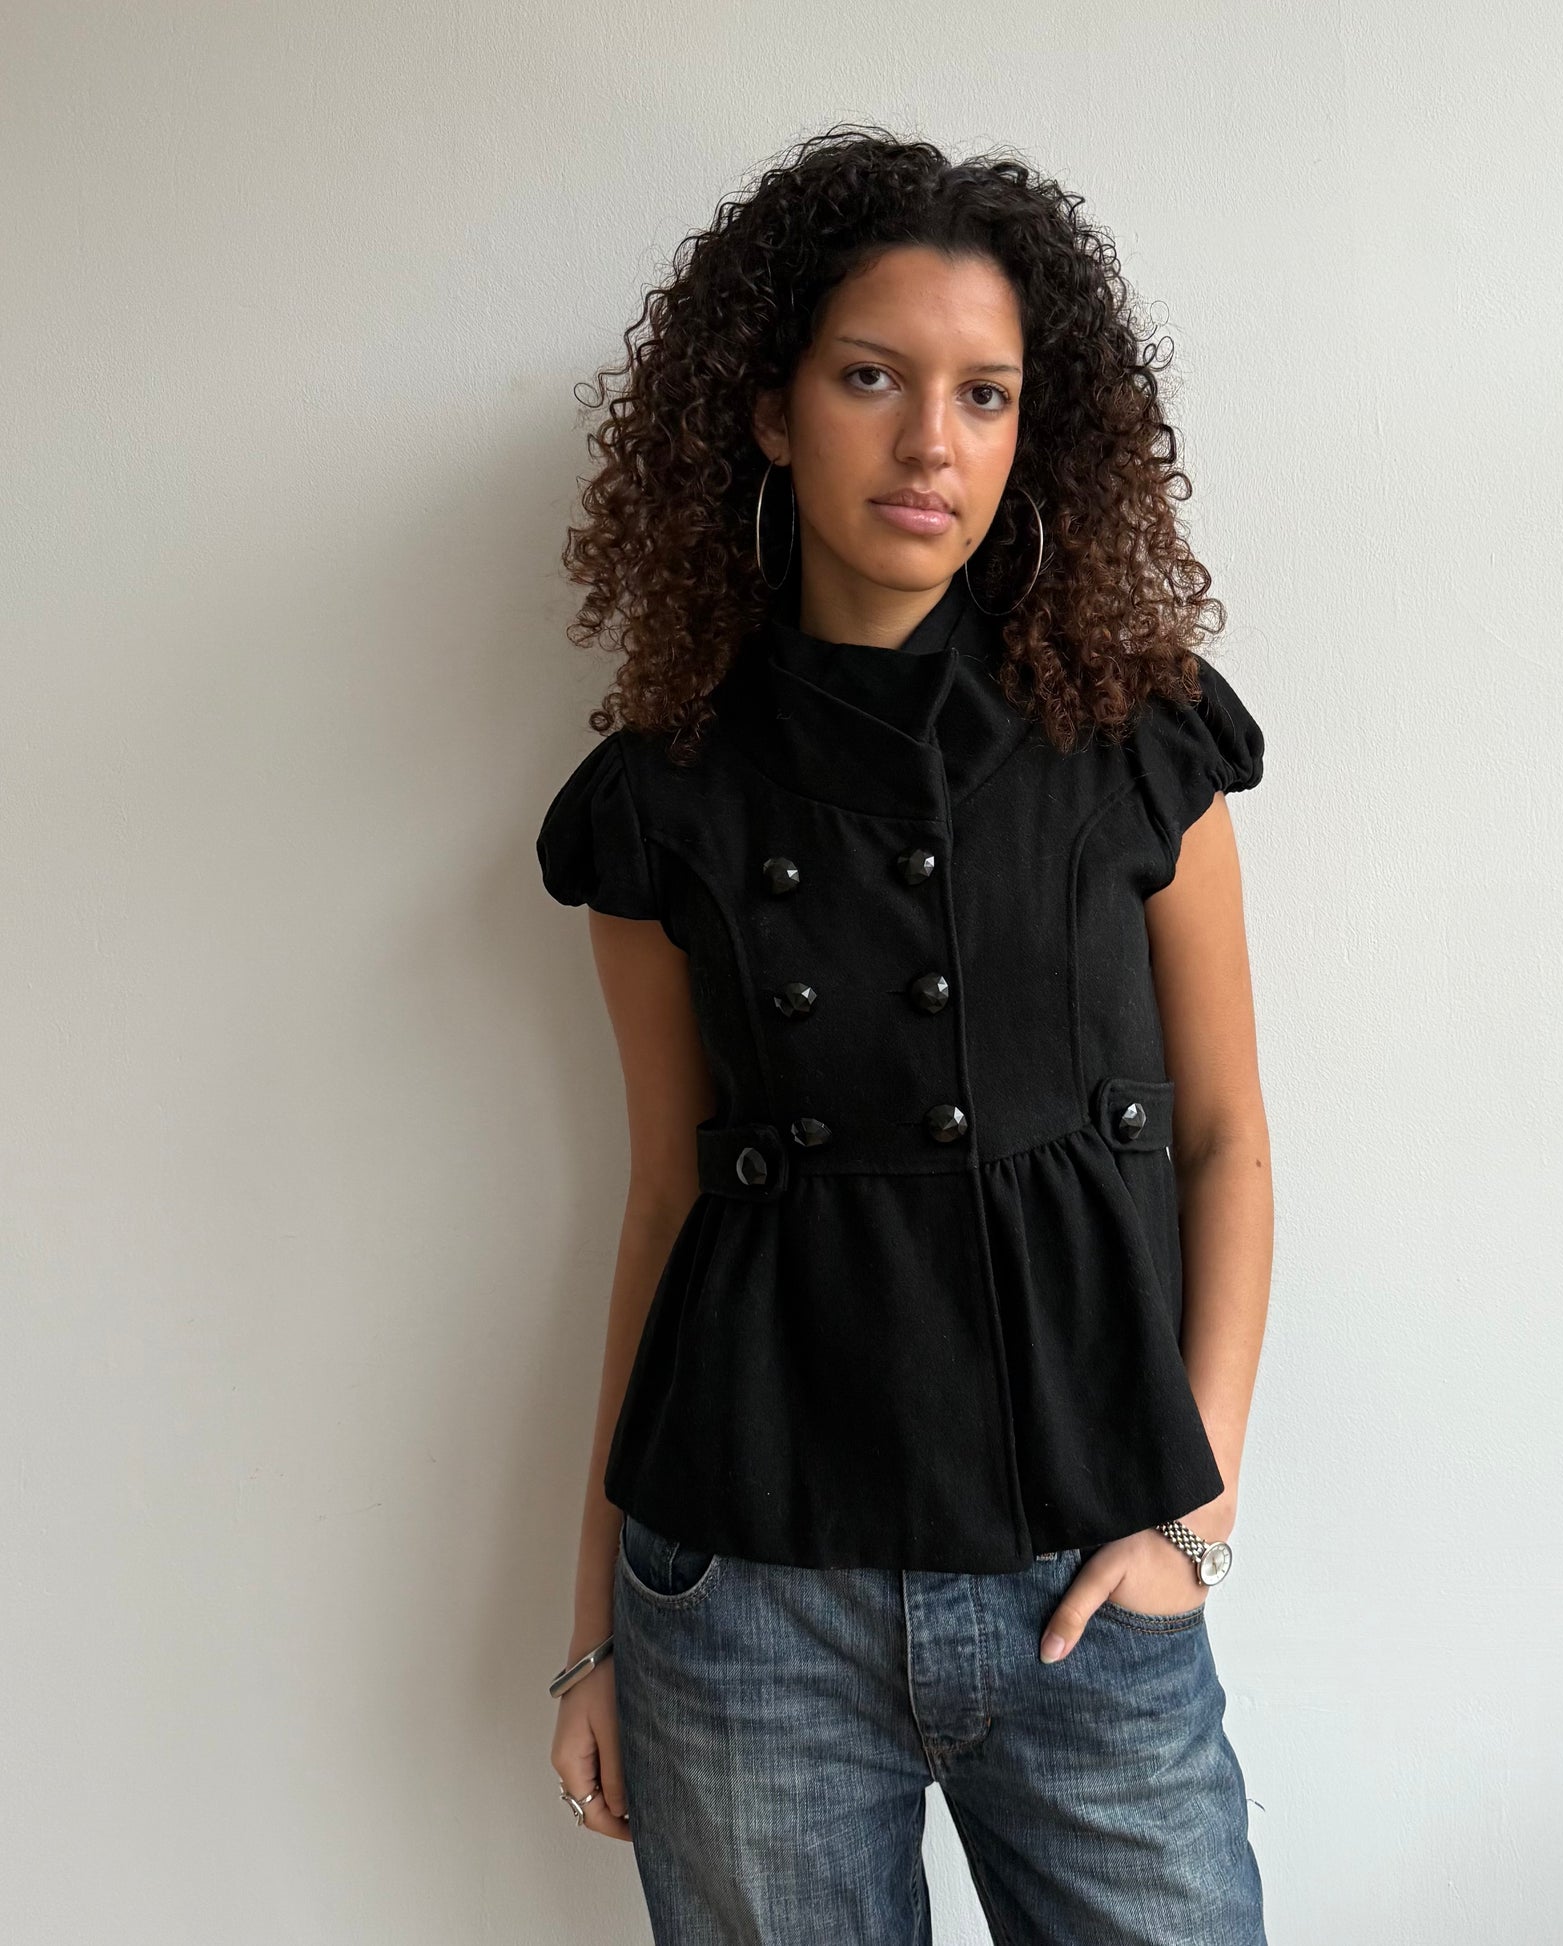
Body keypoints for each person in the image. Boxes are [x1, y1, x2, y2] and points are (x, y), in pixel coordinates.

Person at [535, 126, 1273, 1945]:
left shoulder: (1135, 743)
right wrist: (594, 1628)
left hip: (1089, 1581)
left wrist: (1193, 1518)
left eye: (982, 393)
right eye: (871, 378)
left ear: (1033, 434)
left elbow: (1225, 1138)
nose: (930, 440)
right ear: (770, 413)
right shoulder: (662, 801)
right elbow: (664, 1204)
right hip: (745, 1608)